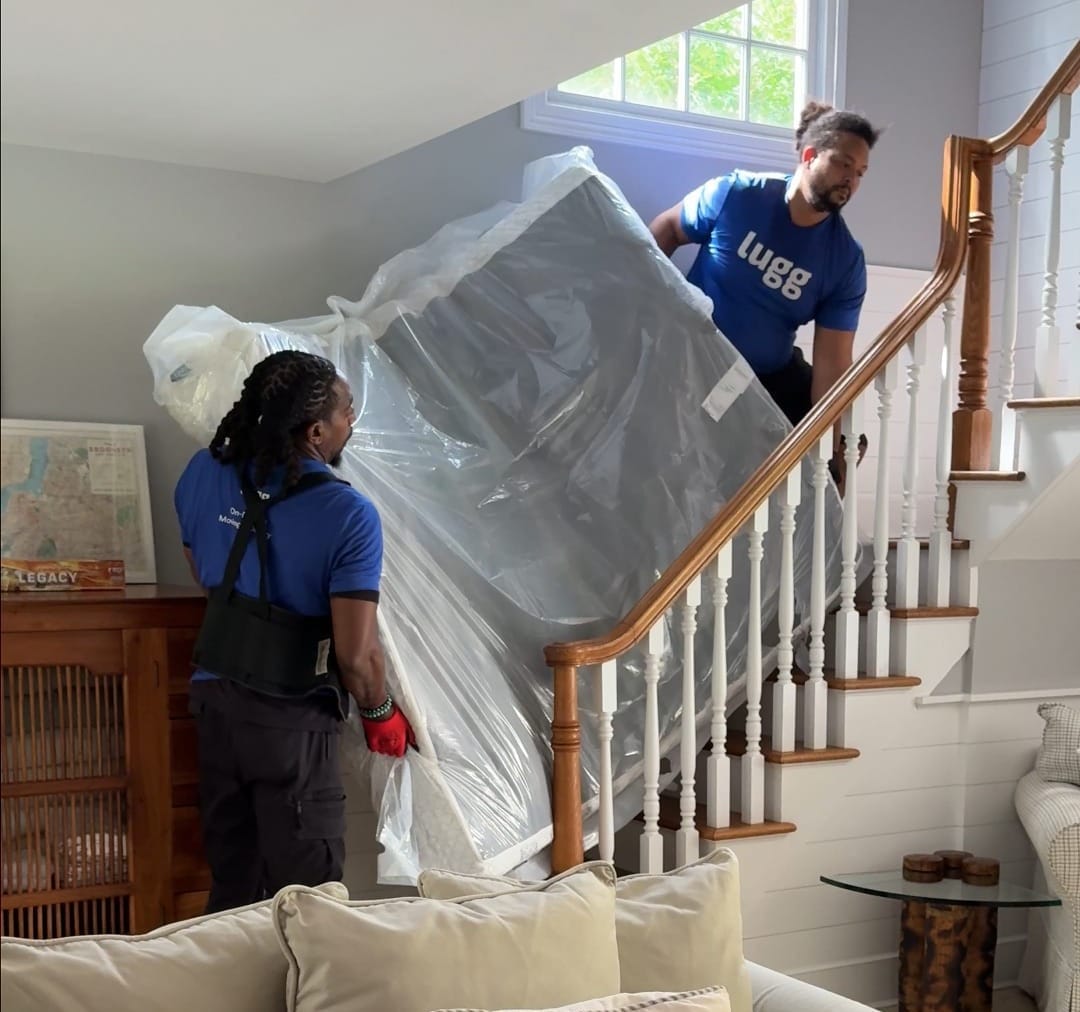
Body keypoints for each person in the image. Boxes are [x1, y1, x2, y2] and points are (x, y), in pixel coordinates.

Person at [174, 349, 414, 913]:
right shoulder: (347, 514)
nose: (350, 423)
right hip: (290, 725)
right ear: (315, 430)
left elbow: (208, 578)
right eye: (346, 413)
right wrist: (381, 713)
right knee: (312, 906)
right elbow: (356, 655)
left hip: (215, 704)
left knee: (235, 889)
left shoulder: (201, 471)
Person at [649, 101, 881, 470]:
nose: (851, 180)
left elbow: (832, 362)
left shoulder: (845, 260)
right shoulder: (736, 194)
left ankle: (814, 517)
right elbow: (667, 229)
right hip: (691, 357)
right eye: (843, 163)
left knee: (846, 440)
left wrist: (831, 450)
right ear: (810, 155)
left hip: (766, 377)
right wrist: (649, 308)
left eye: (861, 173)